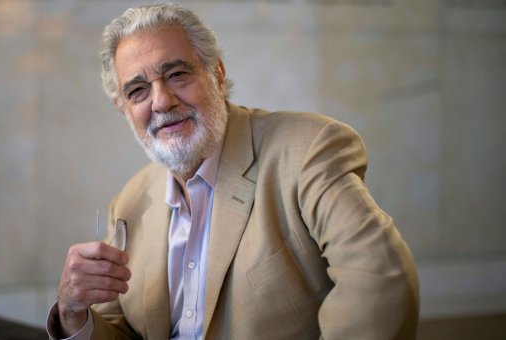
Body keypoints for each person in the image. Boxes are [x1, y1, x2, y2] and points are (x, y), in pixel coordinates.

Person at [47, 3, 419, 339]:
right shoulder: (128, 203)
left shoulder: (308, 150)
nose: (161, 100)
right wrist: (71, 312)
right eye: (138, 90)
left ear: (217, 75)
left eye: (176, 74)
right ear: (123, 108)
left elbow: (379, 280)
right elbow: (122, 332)